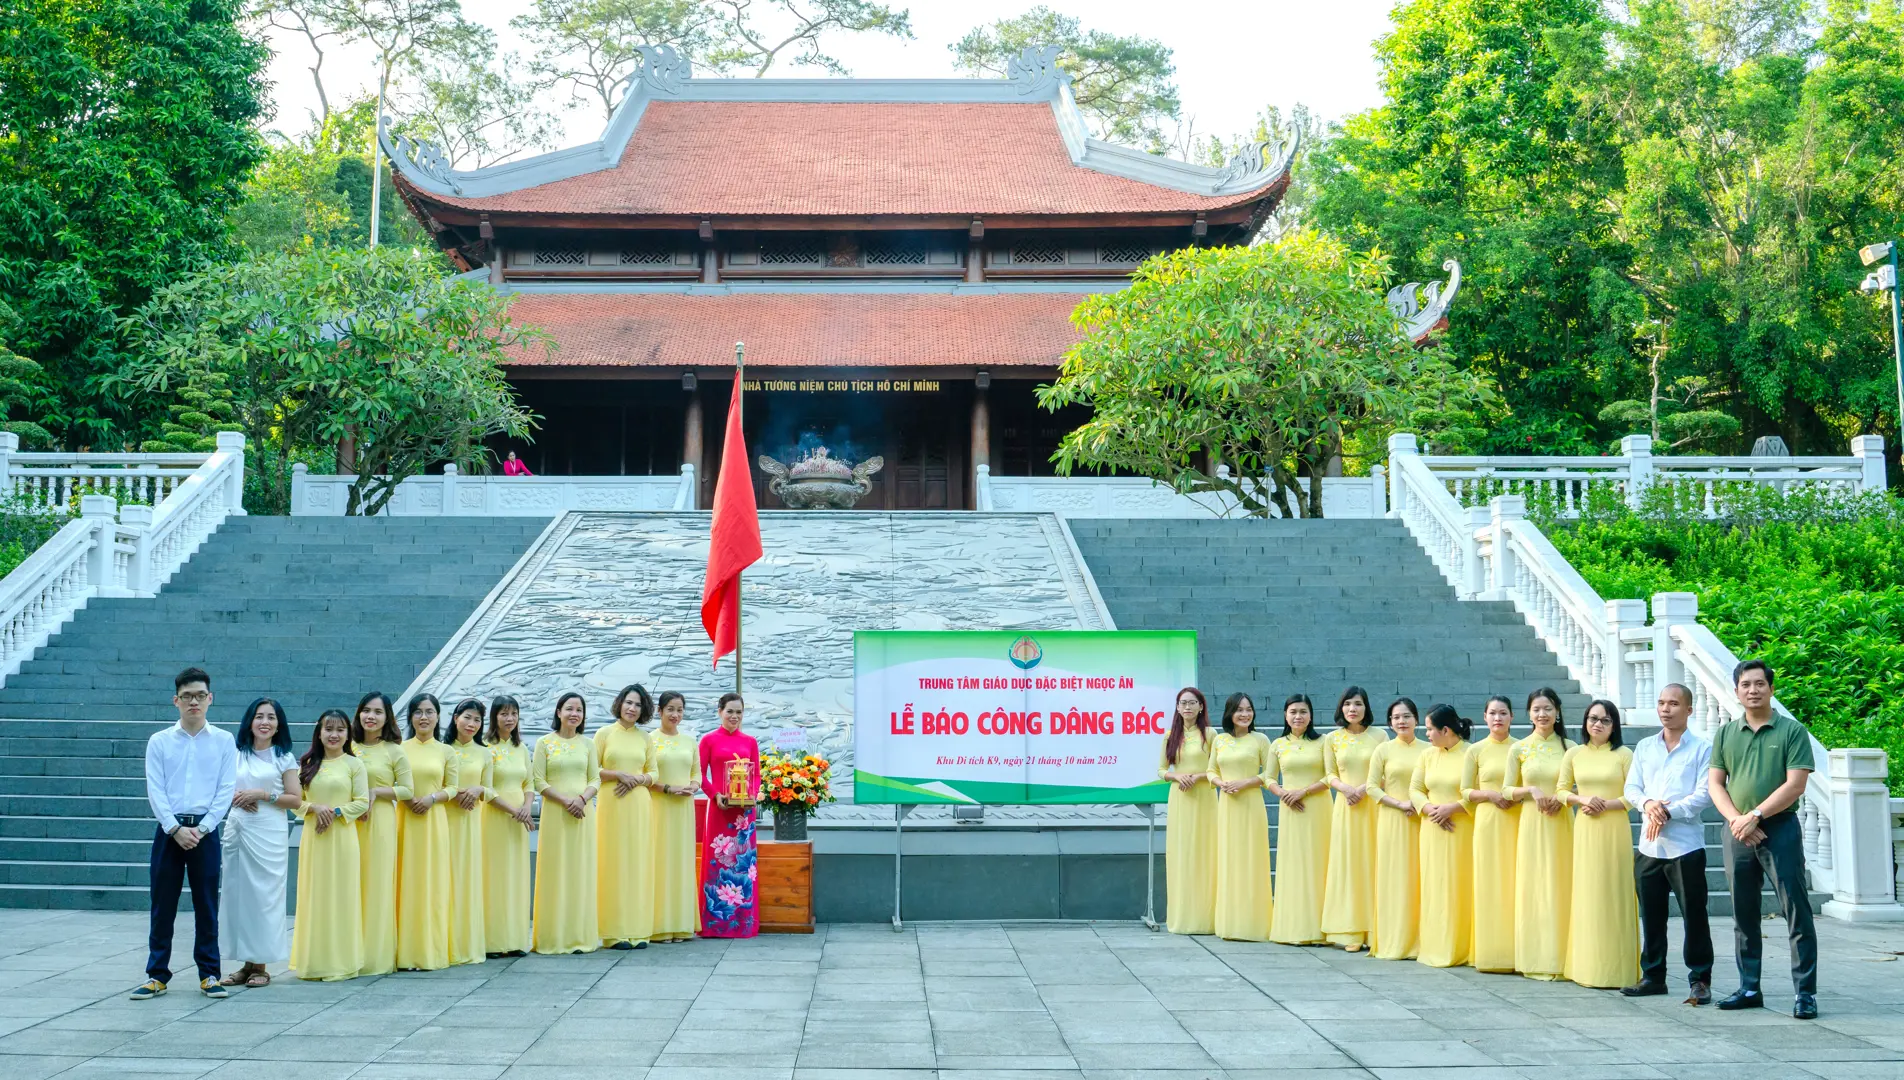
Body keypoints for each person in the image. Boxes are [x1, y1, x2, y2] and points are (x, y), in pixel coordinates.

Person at [1708, 660, 1817, 1018]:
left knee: (1795, 909)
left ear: (1771, 688)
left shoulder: (1790, 731)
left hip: (1779, 828)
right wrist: (1738, 820)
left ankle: (1805, 993)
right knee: (1743, 911)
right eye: (1745, 685)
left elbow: (1795, 784)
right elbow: (1715, 783)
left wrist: (1756, 815)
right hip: (1737, 830)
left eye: (1759, 684)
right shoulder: (1726, 734)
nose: (1752, 690)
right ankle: (1749, 986)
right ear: (1736, 691)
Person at [132, 667, 238, 1001]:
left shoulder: (223, 740)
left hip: (206, 833)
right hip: (169, 831)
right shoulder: (160, 741)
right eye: (188, 696)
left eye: (201, 695)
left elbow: (226, 789)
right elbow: (155, 790)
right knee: (162, 904)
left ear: (211, 699)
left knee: (206, 905)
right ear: (176, 700)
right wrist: (175, 828)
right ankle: (157, 975)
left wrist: (204, 828)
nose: (194, 701)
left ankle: (209, 974)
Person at [1622, 682, 1714, 1003]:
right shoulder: (1645, 747)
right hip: (1649, 848)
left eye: (1673, 704)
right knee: (1652, 914)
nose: (1665, 709)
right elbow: (1632, 787)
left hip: (1685, 847)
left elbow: (1704, 794)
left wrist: (1667, 812)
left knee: (1694, 914)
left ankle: (1700, 979)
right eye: (1661, 703)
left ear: (1688, 710)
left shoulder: (1703, 749)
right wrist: (1648, 805)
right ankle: (1653, 976)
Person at [219, 698, 301, 989]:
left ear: (279, 724)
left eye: (271, 717)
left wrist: (262, 795)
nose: (265, 722)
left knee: (264, 896)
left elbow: (295, 799)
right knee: (238, 896)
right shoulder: (235, 752)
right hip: (238, 828)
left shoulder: (284, 757)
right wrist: (239, 796)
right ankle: (244, 964)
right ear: (249, 721)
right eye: (259, 716)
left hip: (268, 830)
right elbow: (218, 787)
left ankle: (262, 966)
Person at [1558, 699, 1640, 989]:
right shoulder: (1574, 754)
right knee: (1587, 892)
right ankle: (1585, 967)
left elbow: (1635, 795)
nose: (1597, 724)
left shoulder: (1624, 755)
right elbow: (1560, 791)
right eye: (1593, 718)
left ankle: (1618, 969)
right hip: (1585, 828)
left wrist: (1607, 804)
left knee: (1613, 890)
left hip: (1614, 828)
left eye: (1605, 720)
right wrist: (1581, 800)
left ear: (1614, 725)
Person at [289, 710, 367, 981]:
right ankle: (314, 961)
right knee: (315, 897)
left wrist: (333, 812)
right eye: (328, 729)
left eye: (340, 730)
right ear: (319, 733)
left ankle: (340, 962)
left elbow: (362, 802)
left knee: (341, 897)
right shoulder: (308, 763)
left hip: (343, 838)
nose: (334, 735)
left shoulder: (354, 765)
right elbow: (295, 802)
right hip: (315, 840)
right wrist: (315, 808)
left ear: (348, 734)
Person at [1504, 688, 1572, 981]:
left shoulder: (1570, 747)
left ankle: (1563, 955)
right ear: (1528, 714)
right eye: (1536, 709)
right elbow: (1506, 789)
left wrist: (1564, 796)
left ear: (1557, 712)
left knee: (1561, 884)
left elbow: (1580, 786)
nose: (1542, 715)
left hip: (1561, 823)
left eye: (1547, 709)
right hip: (1532, 823)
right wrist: (1530, 790)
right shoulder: (1519, 749)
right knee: (1534, 886)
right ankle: (1534, 956)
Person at [534, 692, 601, 953]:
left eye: (579, 710)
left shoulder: (588, 744)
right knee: (556, 871)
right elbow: (539, 780)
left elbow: (595, 779)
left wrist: (582, 799)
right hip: (555, 813)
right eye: (569, 709)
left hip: (582, 814)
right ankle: (553, 938)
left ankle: (579, 937)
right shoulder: (544, 743)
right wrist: (566, 801)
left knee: (580, 871)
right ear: (558, 712)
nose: (574, 714)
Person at [1320, 686, 1385, 952]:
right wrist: (1346, 789)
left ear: (1366, 707)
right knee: (1348, 863)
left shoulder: (1380, 735)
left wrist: (1362, 789)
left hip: (1371, 805)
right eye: (1347, 704)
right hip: (1345, 807)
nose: (1352, 709)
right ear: (1341, 708)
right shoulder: (1332, 739)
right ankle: (1350, 930)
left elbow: (1385, 772)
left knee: (1372, 861)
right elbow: (1329, 773)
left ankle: (1374, 928)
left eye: (1358, 704)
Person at [397, 694, 457, 970]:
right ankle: (404, 952)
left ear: (438, 716)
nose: (424, 717)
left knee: (431, 883)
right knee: (405, 882)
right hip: (404, 821)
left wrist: (432, 799)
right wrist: (409, 801)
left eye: (429, 712)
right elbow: (391, 781)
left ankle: (430, 951)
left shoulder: (446, 751)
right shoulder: (398, 749)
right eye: (418, 712)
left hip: (433, 823)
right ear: (411, 717)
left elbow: (453, 787)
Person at [351, 691, 410, 976]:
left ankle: (375, 956)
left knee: (376, 885)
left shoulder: (394, 750)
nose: (370, 717)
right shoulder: (346, 745)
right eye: (366, 710)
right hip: (349, 823)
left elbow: (408, 790)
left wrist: (374, 792)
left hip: (381, 822)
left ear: (387, 717)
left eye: (377, 712)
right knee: (350, 885)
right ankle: (347, 951)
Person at [596, 684, 658, 949]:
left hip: (639, 805)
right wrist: (617, 775)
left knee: (637, 864)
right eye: (629, 703)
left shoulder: (645, 738)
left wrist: (636, 779)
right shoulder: (604, 734)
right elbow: (592, 769)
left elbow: (654, 773)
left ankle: (638, 930)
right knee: (613, 863)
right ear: (620, 703)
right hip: (612, 803)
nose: (632, 709)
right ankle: (613, 932)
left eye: (638, 705)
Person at [1411, 704, 1472, 969]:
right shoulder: (1426, 756)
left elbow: (1478, 790)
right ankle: (1435, 944)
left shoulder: (1471, 753)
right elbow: (1415, 788)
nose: (1426, 735)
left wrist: (1453, 808)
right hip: (1433, 828)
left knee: (1460, 885)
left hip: (1462, 828)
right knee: (1434, 885)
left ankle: (1460, 945)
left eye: (1429, 729)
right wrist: (1429, 809)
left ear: (1445, 730)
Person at [1209, 693, 1273, 941]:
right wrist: (1221, 783)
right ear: (1230, 713)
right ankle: (1230, 923)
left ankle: (1255, 924)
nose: (1245, 714)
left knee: (1252, 859)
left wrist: (1245, 783)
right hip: (1227, 805)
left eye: (1249, 709)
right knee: (1230, 859)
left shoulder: (1261, 739)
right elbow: (1211, 770)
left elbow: (1269, 774)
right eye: (1239, 710)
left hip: (1251, 804)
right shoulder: (1220, 740)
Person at [1464, 695, 1520, 973]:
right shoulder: (1475, 751)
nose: (1498, 718)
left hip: (1517, 820)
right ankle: (1489, 951)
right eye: (1493, 713)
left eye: (1503, 713)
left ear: (1512, 717)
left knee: (1514, 883)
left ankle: (1516, 949)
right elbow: (1465, 791)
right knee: (1489, 883)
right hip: (1487, 821)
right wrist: (1489, 794)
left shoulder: (1521, 748)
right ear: (1485, 717)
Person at [1367, 699, 1427, 960]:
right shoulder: (1383, 750)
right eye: (1395, 718)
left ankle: (1422, 938)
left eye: (1406, 716)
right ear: (1389, 723)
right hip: (1393, 819)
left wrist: (1421, 805)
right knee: (1395, 877)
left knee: (1420, 877)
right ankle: (1395, 938)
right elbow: (1371, 787)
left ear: (1417, 719)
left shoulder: (1429, 750)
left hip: (1423, 820)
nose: (1401, 721)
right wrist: (1400, 803)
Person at [1268, 694, 1330, 945]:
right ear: (1285, 715)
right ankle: (1293, 927)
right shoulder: (1277, 744)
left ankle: (1322, 928)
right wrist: (1284, 793)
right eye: (1293, 711)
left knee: (1319, 863)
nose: (1298, 716)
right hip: (1290, 809)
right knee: (1293, 865)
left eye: (1303, 711)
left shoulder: (1324, 742)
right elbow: (1268, 778)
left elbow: (1330, 777)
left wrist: (1303, 791)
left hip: (1317, 808)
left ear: (1311, 715)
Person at [698, 693, 761, 939]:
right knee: (718, 860)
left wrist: (752, 795)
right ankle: (715, 924)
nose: (734, 717)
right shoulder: (708, 741)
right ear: (719, 712)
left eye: (739, 712)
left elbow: (755, 775)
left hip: (743, 815)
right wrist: (715, 795)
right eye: (730, 712)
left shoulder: (750, 741)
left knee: (744, 866)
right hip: (720, 809)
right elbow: (700, 775)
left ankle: (743, 923)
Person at [1158, 687, 1216, 935]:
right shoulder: (1170, 735)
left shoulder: (1212, 735)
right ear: (1177, 707)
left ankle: (1207, 918)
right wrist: (1177, 776)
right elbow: (1161, 770)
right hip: (1180, 798)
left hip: (1204, 796)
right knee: (1182, 854)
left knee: (1206, 852)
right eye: (1183, 703)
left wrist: (1198, 776)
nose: (1188, 707)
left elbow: (1218, 770)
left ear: (1201, 706)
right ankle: (1182, 918)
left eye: (1193, 703)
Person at [483, 696, 534, 957]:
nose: (509, 718)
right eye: (504, 714)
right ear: (494, 717)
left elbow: (529, 784)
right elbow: (487, 789)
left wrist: (526, 807)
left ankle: (515, 939)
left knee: (515, 876)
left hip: (518, 822)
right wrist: (514, 810)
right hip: (494, 818)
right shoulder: (485, 747)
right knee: (494, 877)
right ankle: (493, 941)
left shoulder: (521, 748)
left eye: (514, 713)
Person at [443, 699, 491, 965]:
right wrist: (454, 792)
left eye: (477, 720)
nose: (472, 724)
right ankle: (443, 942)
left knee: (466, 879)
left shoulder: (484, 753)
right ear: (455, 718)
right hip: (443, 818)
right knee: (443, 877)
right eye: (467, 718)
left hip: (470, 821)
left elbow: (490, 787)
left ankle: (465, 944)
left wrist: (477, 790)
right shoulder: (442, 749)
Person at [650, 691, 700, 942]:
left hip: (683, 808)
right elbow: (646, 776)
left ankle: (681, 924)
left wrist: (692, 787)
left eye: (679, 709)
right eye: (670, 709)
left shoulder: (690, 742)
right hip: (658, 806)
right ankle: (657, 925)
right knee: (659, 861)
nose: (675, 714)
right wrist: (668, 788)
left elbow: (697, 774)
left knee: (681, 862)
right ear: (659, 711)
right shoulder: (649, 740)